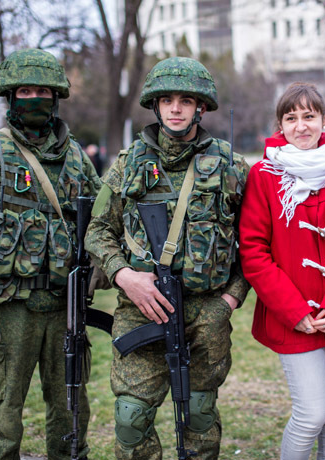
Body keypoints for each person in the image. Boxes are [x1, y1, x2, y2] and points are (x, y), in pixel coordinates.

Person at [84, 57, 249, 459]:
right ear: (155, 106)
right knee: (130, 416)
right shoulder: (127, 164)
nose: (176, 108)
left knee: (199, 413)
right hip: (141, 307)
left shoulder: (231, 165)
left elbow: (257, 242)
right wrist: (124, 275)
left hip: (205, 310)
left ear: (201, 107)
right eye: (167, 100)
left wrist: (230, 299)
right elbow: (97, 229)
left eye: (186, 101)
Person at [0, 49, 102, 460]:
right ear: (10, 98)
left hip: (65, 309)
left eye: (42, 91)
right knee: (0, 421)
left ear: (56, 97)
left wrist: (101, 266)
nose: (34, 99)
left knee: (71, 414)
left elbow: (104, 222)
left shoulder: (78, 161)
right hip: (6, 309)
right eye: (24, 91)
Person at [239, 82, 325, 459]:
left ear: (324, 120)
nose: (301, 126)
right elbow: (253, 251)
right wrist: (295, 311)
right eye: (291, 118)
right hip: (292, 315)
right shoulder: (264, 176)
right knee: (311, 412)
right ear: (280, 125)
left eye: (309, 116)